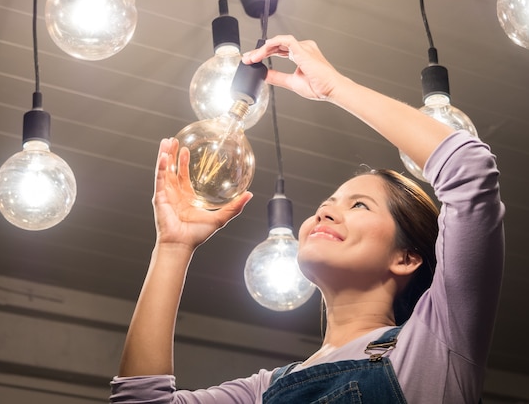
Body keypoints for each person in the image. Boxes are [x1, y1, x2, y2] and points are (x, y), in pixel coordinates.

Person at [110, 35, 505, 403]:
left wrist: (333, 87)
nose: (325, 211)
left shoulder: (436, 344)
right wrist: (173, 246)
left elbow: (470, 169)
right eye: (327, 202)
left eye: (359, 205)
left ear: (406, 258)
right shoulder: (265, 389)